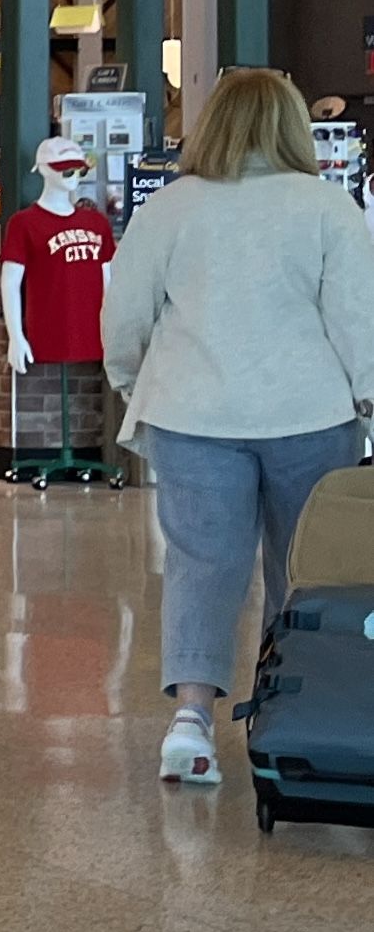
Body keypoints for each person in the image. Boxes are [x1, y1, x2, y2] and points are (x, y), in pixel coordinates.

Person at [101, 68, 374, 787]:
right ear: (293, 127)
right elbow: (360, 319)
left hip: (191, 414)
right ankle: (293, 706)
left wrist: (134, 382)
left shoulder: (169, 207)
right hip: (310, 415)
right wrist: (370, 400)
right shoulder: (327, 206)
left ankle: (190, 721)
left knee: (202, 564)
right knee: (306, 569)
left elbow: (123, 314)